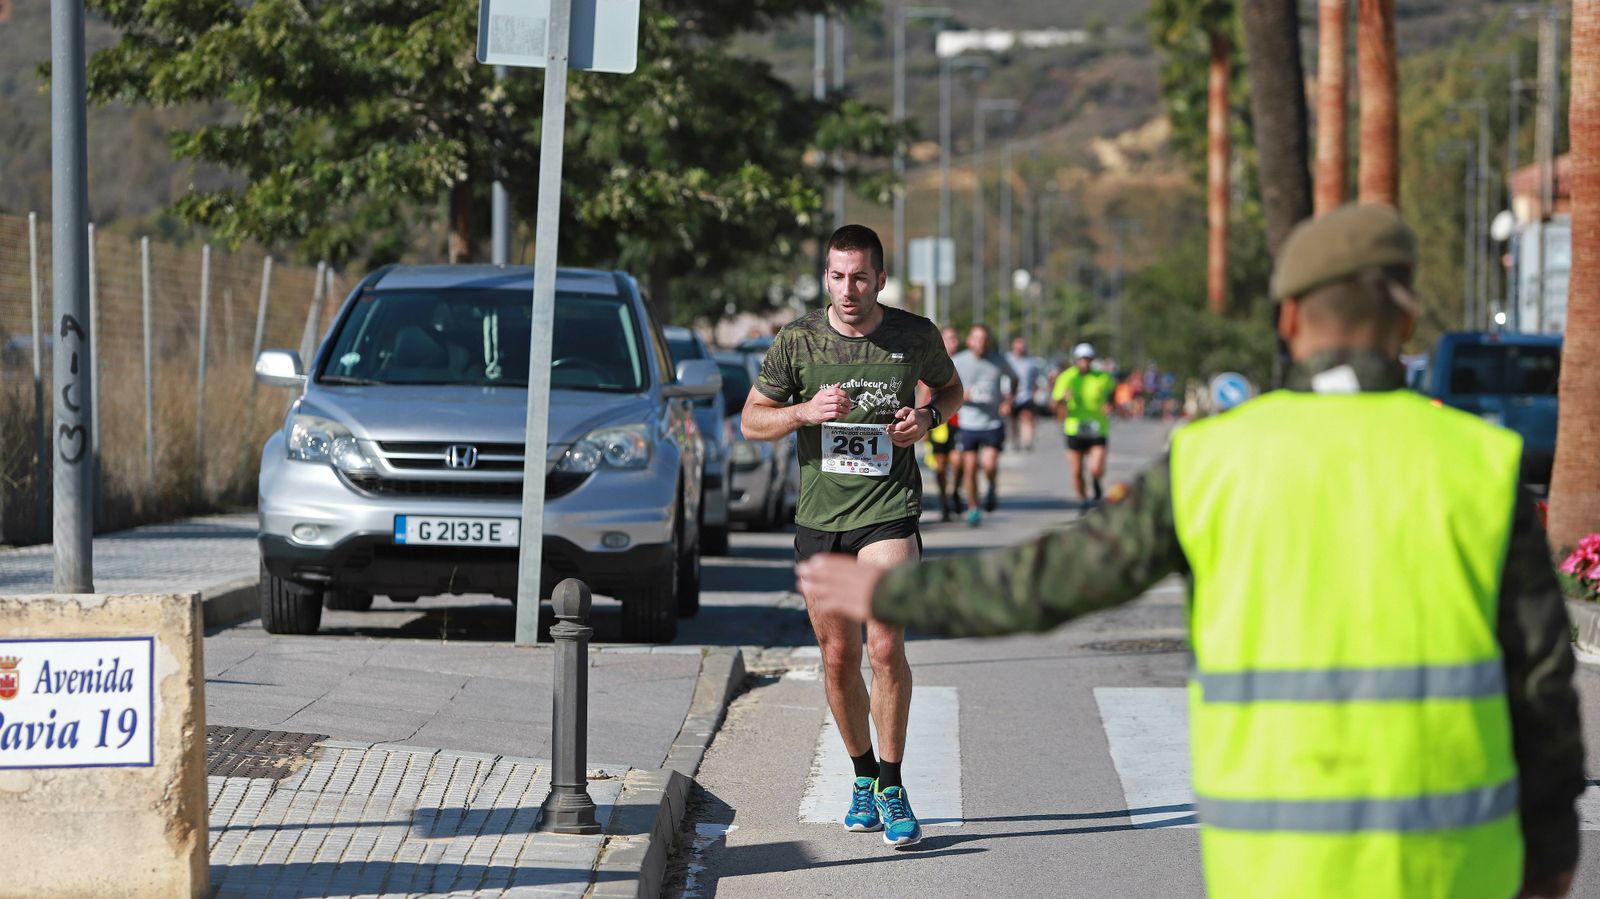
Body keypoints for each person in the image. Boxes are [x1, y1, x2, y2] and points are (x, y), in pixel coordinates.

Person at [798, 205, 1584, 898]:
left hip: (1279, 869)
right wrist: (1550, 859)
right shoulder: (1482, 463)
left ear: (1289, 319)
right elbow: (1543, 678)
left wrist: (891, 594)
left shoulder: (1215, 459)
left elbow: (1052, 582)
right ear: (1407, 324)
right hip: (1460, 868)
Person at [742, 224, 963, 849]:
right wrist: (802, 413)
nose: (848, 289)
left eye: (860, 277)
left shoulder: (913, 336)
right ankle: (862, 775)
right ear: (826, 279)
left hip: (889, 508)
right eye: (837, 277)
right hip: (820, 519)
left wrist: (927, 419)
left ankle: (892, 785)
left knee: (885, 647)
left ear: (881, 279)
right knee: (838, 658)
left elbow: (950, 389)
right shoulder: (798, 342)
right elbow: (751, 421)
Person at [950, 324, 1017, 526]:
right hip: (968, 423)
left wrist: (1008, 401)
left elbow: (1014, 379)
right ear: (969, 341)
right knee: (969, 468)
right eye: (976, 338)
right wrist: (961, 396)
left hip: (992, 422)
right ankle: (973, 508)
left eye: (984, 338)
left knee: (989, 465)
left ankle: (992, 487)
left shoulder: (999, 360)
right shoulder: (958, 361)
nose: (980, 342)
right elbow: (945, 386)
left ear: (988, 341)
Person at [1052, 343, 1115, 506]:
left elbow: (1112, 393)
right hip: (1074, 428)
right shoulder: (1067, 377)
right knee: (1077, 471)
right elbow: (1054, 404)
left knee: (1096, 468)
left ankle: (1096, 481)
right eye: (1081, 359)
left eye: (1087, 359)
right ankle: (1083, 500)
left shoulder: (1102, 377)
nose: (1084, 363)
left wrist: (1109, 404)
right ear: (1075, 360)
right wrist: (1062, 400)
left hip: (1097, 427)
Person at [1004, 336, 1046, 451]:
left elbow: (1037, 379)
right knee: (1013, 420)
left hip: (1025, 395)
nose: (1020, 349)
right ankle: (1015, 441)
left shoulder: (1031, 362)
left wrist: (1035, 392)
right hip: (1010, 395)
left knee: (1027, 417)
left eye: (1022, 347)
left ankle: (1027, 442)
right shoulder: (1007, 359)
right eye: (1018, 347)